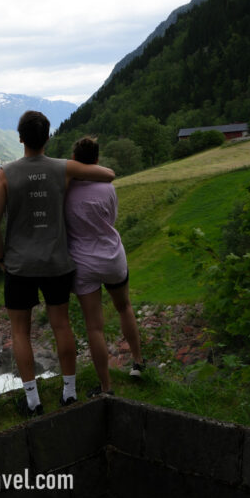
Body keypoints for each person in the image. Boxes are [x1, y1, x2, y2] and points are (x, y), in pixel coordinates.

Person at [0, 111, 115, 416]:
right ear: (48, 138)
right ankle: (69, 392)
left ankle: (32, 400)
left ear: (20, 138)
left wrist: (1, 257)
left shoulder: (5, 174)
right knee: (62, 325)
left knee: (20, 332)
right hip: (57, 263)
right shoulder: (64, 168)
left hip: (19, 266)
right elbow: (108, 174)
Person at [65, 136, 144, 397]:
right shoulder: (108, 188)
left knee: (94, 327)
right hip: (112, 257)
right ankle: (138, 362)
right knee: (124, 307)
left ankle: (106, 387)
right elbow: (111, 218)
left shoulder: (66, 191)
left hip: (83, 263)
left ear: (75, 161)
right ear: (97, 160)